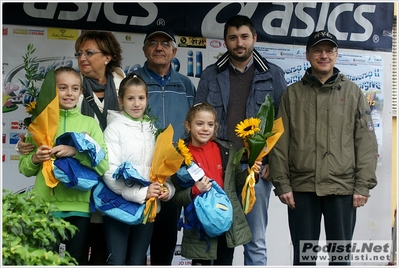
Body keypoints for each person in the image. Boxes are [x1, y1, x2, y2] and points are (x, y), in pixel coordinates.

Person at [269, 30, 378, 265]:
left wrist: (363, 186)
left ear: (336, 55)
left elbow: (366, 142)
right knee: (304, 258)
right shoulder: (292, 95)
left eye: (329, 50)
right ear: (307, 55)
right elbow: (279, 142)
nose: (324, 55)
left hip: (342, 189)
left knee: (340, 258)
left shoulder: (353, 93)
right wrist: (282, 184)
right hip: (302, 189)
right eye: (318, 50)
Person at [16, 30, 125, 265]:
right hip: (45, 204)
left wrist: (76, 152)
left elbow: (102, 161)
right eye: (62, 88)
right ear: (52, 90)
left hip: (84, 202)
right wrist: (34, 157)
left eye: (74, 89)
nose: (69, 93)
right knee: (44, 259)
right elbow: (25, 168)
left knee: (79, 259)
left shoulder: (119, 91)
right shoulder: (41, 121)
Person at [194, 15, 287, 265]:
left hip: (254, 169)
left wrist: (272, 164)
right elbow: (197, 121)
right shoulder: (211, 75)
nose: (239, 43)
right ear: (225, 41)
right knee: (220, 238)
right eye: (233, 38)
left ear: (254, 38)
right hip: (218, 170)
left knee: (255, 242)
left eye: (244, 37)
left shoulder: (273, 75)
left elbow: (282, 126)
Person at [134, 25, 196, 265]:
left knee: (166, 240)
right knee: (137, 241)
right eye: (153, 43)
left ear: (174, 51)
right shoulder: (133, 81)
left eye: (165, 43)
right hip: (139, 172)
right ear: (144, 49)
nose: (159, 47)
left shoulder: (186, 85)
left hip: (172, 175)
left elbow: (194, 125)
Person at [171, 103, 260, 265]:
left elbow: (237, 184)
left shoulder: (227, 149)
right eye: (199, 123)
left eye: (210, 124)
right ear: (187, 125)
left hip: (226, 219)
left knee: (224, 262)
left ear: (215, 127)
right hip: (199, 223)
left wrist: (251, 173)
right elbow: (175, 197)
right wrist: (194, 190)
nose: (205, 128)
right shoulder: (179, 154)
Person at [102, 73, 175, 265]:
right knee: (116, 261)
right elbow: (109, 172)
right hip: (117, 206)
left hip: (146, 207)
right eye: (130, 98)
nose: (136, 104)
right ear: (120, 100)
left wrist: (167, 189)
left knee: (138, 262)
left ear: (147, 99)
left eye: (141, 98)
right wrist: (142, 192)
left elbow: (161, 168)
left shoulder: (153, 130)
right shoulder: (113, 129)